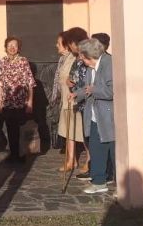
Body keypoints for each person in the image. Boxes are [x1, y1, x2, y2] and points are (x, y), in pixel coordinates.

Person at [72, 38, 114, 195]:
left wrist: (93, 90)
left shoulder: (109, 64)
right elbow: (87, 88)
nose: (80, 59)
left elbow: (112, 90)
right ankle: (98, 181)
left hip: (108, 116)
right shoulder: (90, 68)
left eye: (81, 56)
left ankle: (118, 183)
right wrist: (76, 94)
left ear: (87, 55)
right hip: (95, 115)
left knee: (113, 150)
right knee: (96, 148)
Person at [0, 36, 36, 163]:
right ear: (6, 48)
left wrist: (30, 102)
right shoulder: (3, 62)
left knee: (20, 128)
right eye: (9, 45)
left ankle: (21, 155)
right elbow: (1, 83)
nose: (12, 48)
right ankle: (13, 155)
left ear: (19, 48)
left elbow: (30, 82)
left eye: (15, 45)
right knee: (10, 128)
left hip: (21, 101)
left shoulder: (23, 61)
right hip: (8, 101)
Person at [63, 27, 92, 179]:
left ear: (75, 42)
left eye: (70, 43)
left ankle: (90, 161)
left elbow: (86, 78)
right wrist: (69, 82)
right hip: (79, 99)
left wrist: (76, 88)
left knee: (89, 133)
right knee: (86, 132)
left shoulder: (87, 55)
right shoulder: (76, 58)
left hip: (88, 99)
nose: (69, 47)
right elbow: (74, 77)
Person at [52, 32, 83, 172]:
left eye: (59, 43)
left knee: (80, 131)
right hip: (65, 99)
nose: (56, 45)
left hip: (75, 99)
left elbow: (78, 77)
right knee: (68, 131)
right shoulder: (64, 58)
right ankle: (71, 160)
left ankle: (88, 160)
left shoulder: (76, 58)